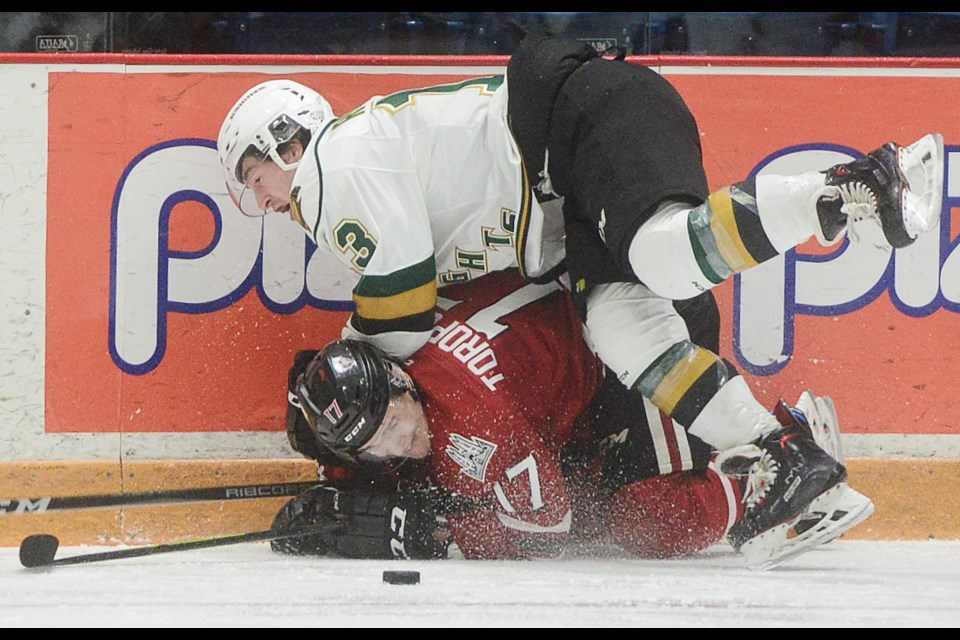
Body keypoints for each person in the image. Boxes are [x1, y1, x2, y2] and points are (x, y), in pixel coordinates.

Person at [217, 33, 939, 566]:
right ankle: (784, 451)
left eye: (254, 176)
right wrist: (337, 423)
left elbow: (401, 308)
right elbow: (406, 316)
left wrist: (339, 398)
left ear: (288, 141)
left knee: (664, 252)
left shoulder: (334, 166)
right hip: (568, 197)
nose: (260, 197)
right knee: (623, 325)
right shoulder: (361, 173)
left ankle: (854, 189)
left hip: (576, 113)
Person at [269, 268, 867, 569]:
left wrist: (446, 534)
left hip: (627, 357)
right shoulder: (388, 352)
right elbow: (375, 434)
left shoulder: (476, 421)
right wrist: (346, 487)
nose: (402, 441)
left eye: (396, 421)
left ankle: (784, 458)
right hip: (576, 359)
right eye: (375, 447)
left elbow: (549, 528)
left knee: (641, 519)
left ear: (401, 382)